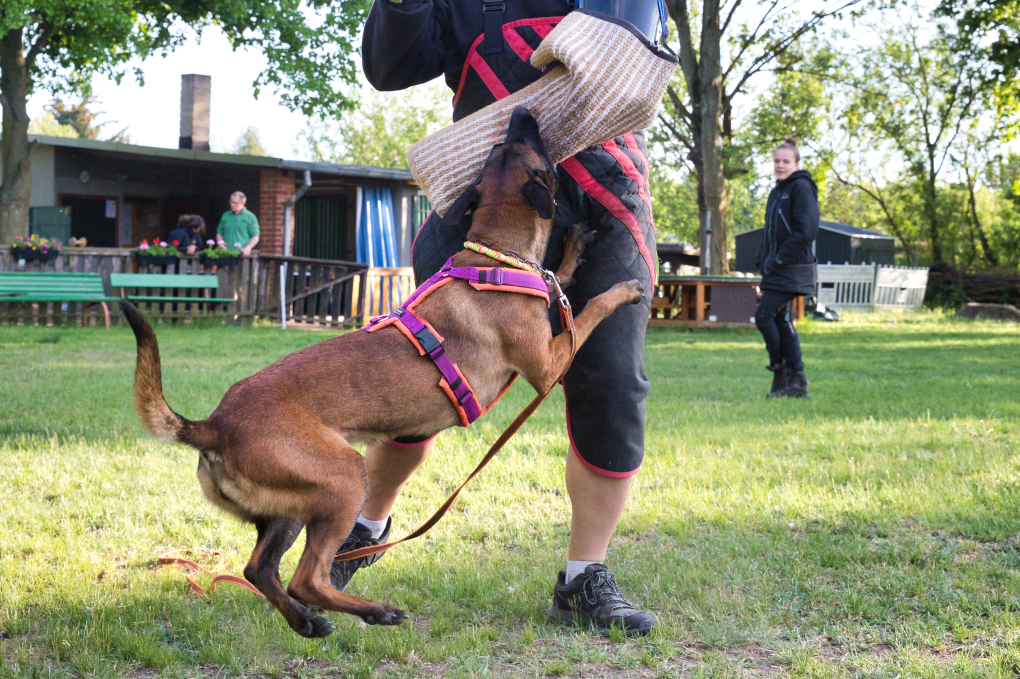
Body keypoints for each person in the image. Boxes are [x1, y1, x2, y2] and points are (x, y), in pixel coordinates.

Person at [339, 0, 660, 637]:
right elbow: (390, 65)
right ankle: (366, 527)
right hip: (485, 202)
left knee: (612, 385)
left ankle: (583, 576)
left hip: (604, 196)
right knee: (417, 377)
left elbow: (622, 58)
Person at [754, 138, 819, 399]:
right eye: (776, 161)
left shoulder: (801, 187)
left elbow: (808, 230)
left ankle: (783, 372)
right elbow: (770, 231)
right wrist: (762, 258)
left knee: (764, 316)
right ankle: (794, 382)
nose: (780, 166)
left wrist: (780, 257)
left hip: (792, 268)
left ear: (796, 163)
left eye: (785, 161)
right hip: (776, 269)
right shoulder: (777, 191)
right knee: (781, 319)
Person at [216, 191, 260, 256]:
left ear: (243, 203)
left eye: (235, 203)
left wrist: (248, 247)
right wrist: (221, 245)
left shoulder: (250, 217)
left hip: (242, 254)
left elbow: (255, 236)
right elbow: (219, 233)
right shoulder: (225, 215)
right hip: (225, 254)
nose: (232, 204)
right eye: (231, 202)